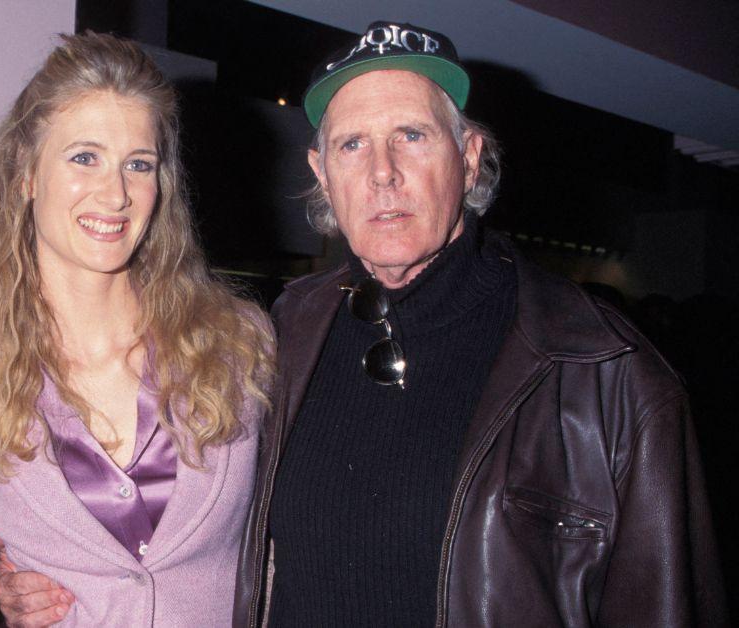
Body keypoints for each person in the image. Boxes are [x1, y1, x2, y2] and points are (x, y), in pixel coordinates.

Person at [233, 20, 728, 627]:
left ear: (468, 159)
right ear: (321, 172)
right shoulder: (285, 331)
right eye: (352, 144)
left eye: (412, 135)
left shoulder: (607, 370)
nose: (382, 171)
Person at [0, 32, 274, 627]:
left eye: (139, 164)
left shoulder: (240, 343)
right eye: (85, 158)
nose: (116, 193)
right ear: (26, 173)